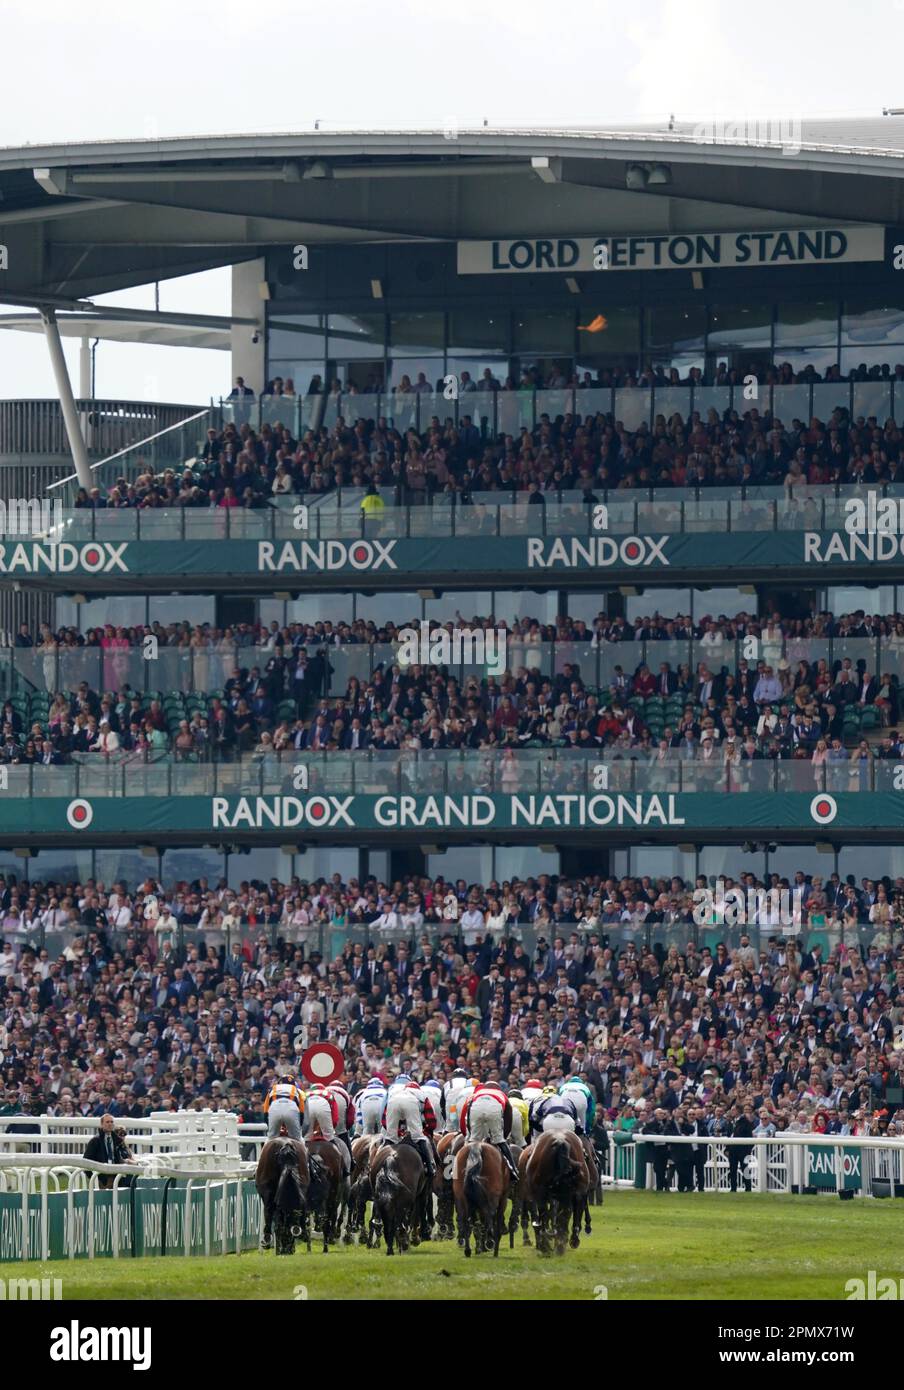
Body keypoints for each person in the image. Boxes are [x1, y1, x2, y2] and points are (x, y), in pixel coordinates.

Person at [459, 1081, 519, 1180]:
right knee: (499, 1140)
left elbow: (465, 1116)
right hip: (494, 1108)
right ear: (498, 1089)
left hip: (475, 1107)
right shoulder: (501, 1094)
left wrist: (469, 1135)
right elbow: (508, 1121)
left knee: (473, 1141)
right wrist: (502, 1137)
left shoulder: (474, 1094)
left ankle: (456, 1170)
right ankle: (513, 1169)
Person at [384, 1078, 435, 1178]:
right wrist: (428, 1131)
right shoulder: (422, 1095)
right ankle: (429, 1168)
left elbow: (384, 1121)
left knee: (390, 1137)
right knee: (418, 1136)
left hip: (393, 1101)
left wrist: (397, 1133)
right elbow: (431, 1120)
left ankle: (375, 1164)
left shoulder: (397, 1094)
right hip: (410, 1103)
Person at [83, 1113, 134, 1188]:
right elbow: (86, 1160)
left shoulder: (117, 1140)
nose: (110, 1124)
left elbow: (118, 1157)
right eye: (107, 1122)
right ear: (101, 1124)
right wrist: (94, 1178)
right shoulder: (95, 1141)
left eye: (111, 1122)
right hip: (101, 1177)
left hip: (117, 1176)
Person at [262, 1073, 305, 1140]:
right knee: (297, 1139)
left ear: (280, 1083)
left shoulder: (273, 1089)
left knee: (270, 1139)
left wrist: (270, 1128)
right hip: (291, 1109)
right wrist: (298, 1127)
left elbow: (265, 1111)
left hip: (275, 1109)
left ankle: (264, 1149)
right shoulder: (297, 1091)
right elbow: (302, 1112)